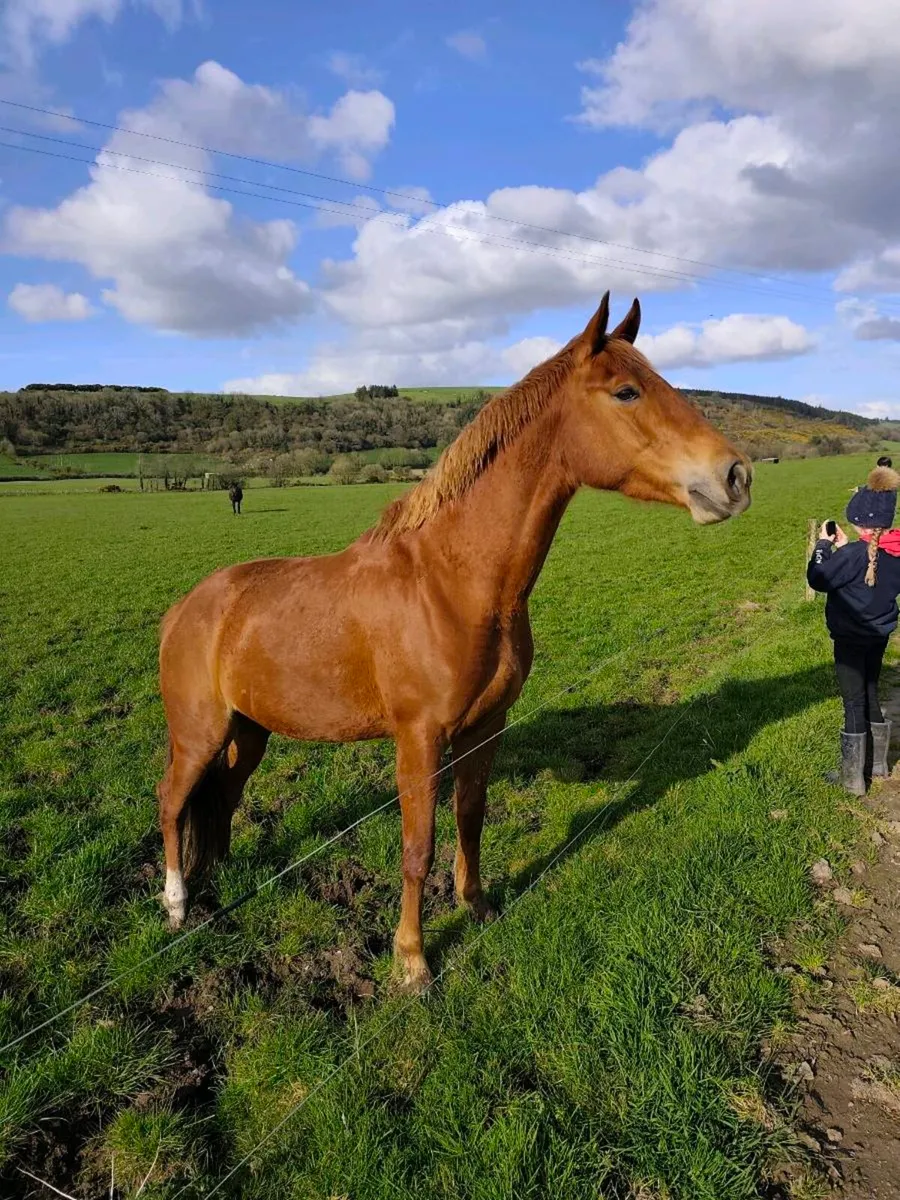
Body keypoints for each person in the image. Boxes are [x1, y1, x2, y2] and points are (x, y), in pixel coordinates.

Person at [807, 465, 900, 794]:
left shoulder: (849, 555)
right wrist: (846, 546)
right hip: (879, 635)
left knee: (854, 703)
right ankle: (878, 765)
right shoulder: (893, 551)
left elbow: (818, 578)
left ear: (858, 520)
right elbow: (869, 561)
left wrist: (823, 545)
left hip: (849, 638)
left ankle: (853, 781)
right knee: (872, 692)